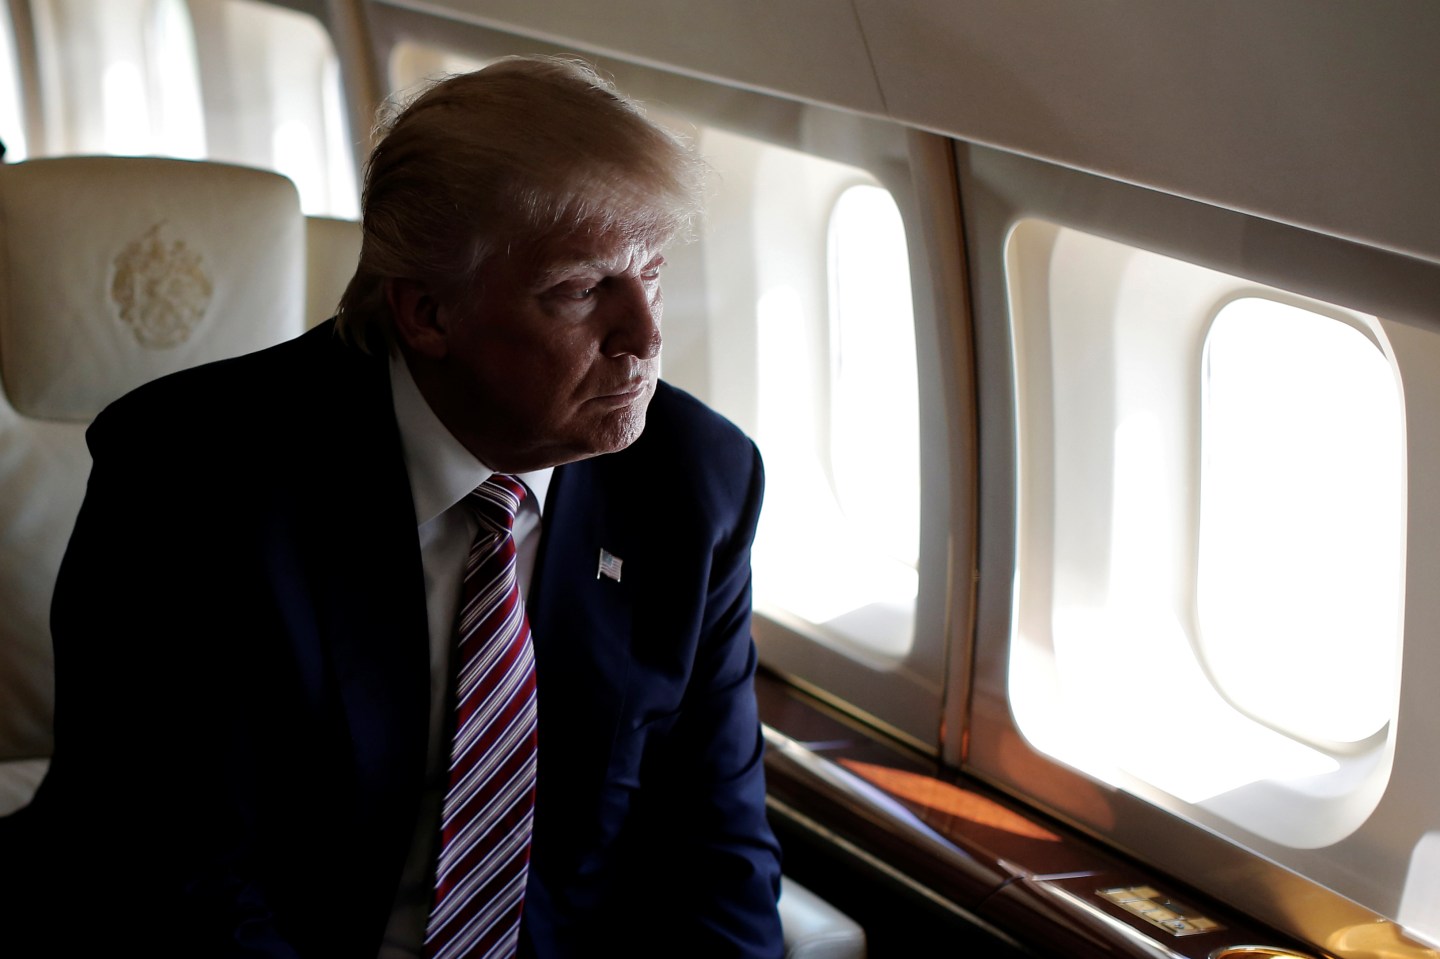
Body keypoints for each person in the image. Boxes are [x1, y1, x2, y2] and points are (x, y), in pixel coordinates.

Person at [23, 56, 783, 956]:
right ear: (427, 313)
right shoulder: (188, 479)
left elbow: (718, 857)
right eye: (582, 289)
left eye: (649, 274)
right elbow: (170, 873)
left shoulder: (695, 483)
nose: (646, 337)